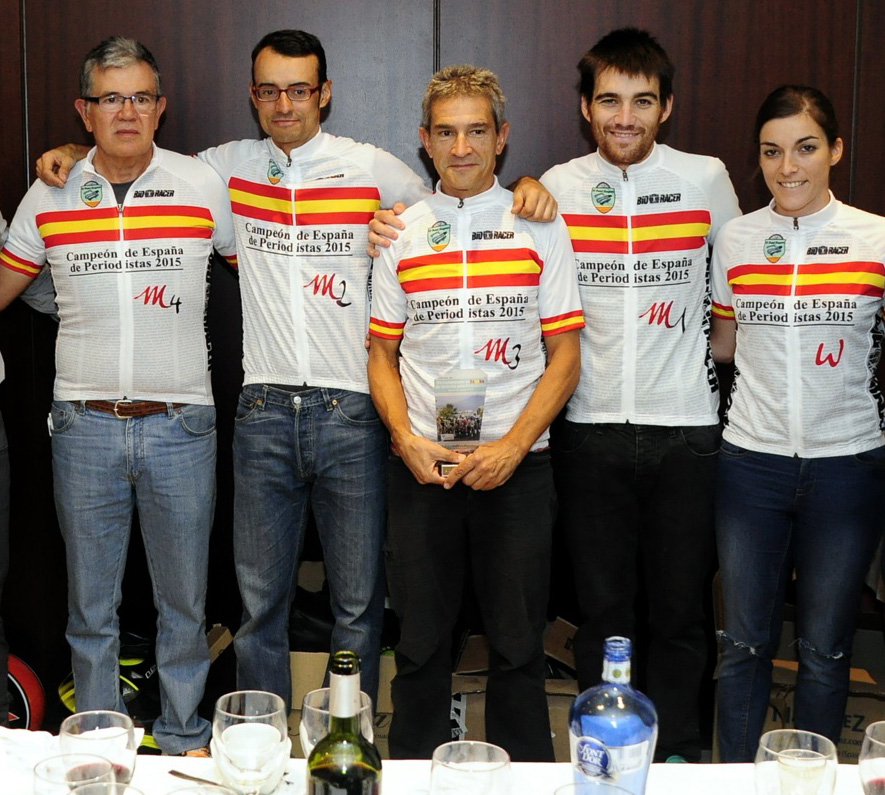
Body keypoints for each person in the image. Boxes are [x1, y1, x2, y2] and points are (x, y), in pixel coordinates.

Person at [36, 29, 555, 710]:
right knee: (259, 609)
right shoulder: (220, 168)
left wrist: (525, 186)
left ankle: (351, 740)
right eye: (270, 90)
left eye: (300, 89)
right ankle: (260, 745)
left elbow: (458, 194)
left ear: (325, 94)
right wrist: (79, 153)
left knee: (360, 605)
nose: (285, 104)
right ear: (253, 96)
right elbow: (134, 152)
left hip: (356, 414)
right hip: (262, 413)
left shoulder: (372, 167)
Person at [0, 36, 237, 754]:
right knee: (89, 607)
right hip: (83, 423)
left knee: (183, 604)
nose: (127, 111)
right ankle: (100, 741)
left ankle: (184, 733)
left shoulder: (203, 184)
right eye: (111, 98)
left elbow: (262, 271)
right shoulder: (50, 191)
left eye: (140, 96)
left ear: (161, 108)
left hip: (181, 424)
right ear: (85, 110)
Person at [367, 64, 583, 761]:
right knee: (422, 645)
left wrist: (513, 448)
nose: (461, 148)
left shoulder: (537, 224)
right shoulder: (398, 231)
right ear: (425, 141)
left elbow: (566, 354)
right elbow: (380, 354)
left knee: (519, 647)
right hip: (424, 467)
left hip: (518, 468)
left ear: (501, 138)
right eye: (446, 132)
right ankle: (406, 775)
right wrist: (403, 439)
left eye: (476, 131)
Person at [539, 28, 741, 762]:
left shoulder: (707, 178)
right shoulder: (554, 187)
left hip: (686, 430)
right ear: (585, 108)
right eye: (609, 101)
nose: (624, 117)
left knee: (682, 613)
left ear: (666, 108)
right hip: (586, 428)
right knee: (602, 613)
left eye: (641, 102)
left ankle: (682, 754)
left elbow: (735, 285)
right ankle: (605, 748)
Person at [710, 85, 885, 762]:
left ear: (835, 151)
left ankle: (808, 777)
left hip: (848, 467)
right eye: (772, 151)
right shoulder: (736, 238)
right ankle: (731, 777)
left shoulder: (875, 237)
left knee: (822, 648)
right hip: (749, 466)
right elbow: (724, 345)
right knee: (744, 644)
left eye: (805, 148)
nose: (788, 167)